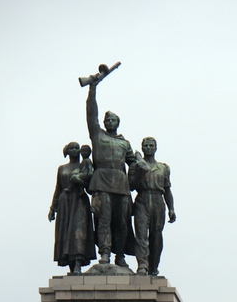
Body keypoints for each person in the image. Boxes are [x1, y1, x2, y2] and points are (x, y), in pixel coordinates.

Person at [86, 80, 142, 266]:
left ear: (118, 123)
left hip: (121, 185)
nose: (110, 122)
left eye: (113, 120)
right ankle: (105, 253)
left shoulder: (124, 143)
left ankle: (120, 255)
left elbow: (133, 163)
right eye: (107, 120)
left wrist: (140, 165)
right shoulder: (97, 135)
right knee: (104, 221)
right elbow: (91, 114)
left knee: (122, 223)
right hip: (101, 182)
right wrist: (92, 89)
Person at [129, 137, 176, 276]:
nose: (148, 148)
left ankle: (153, 266)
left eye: (151, 145)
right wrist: (140, 171)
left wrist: (171, 208)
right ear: (142, 148)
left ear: (155, 148)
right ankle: (142, 265)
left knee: (156, 236)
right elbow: (131, 186)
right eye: (146, 145)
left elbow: (167, 189)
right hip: (142, 199)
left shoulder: (163, 168)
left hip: (158, 201)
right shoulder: (136, 165)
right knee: (141, 235)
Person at [48, 142, 96, 274]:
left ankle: (78, 265)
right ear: (67, 151)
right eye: (72, 148)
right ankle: (70, 263)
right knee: (65, 232)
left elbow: (89, 183)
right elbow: (58, 188)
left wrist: (77, 180)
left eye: (76, 148)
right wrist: (53, 207)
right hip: (65, 202)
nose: (75, 150)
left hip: (79, 200)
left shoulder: (84, 165)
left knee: (78, 231)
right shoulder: (62, 169)